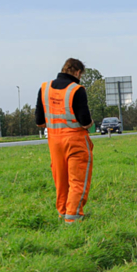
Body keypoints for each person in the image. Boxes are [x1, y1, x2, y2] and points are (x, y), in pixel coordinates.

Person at [35, 58, 93, 223]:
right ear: (77, 72)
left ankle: (63, 213)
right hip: (75, 139)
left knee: (60, 180)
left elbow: (39, 121)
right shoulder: (77, 90)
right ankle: (73, 218)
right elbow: (85, 120)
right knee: (77, 179)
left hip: (54, 141)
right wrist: (90, 124)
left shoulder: (44, 88)